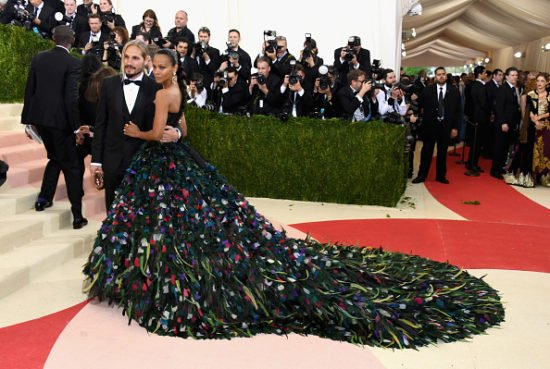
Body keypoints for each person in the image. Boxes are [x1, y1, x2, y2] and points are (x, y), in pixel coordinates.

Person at [83, 48, 504, 349]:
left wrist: (145, 134)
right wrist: (158, 136)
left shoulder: (162, 92)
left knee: (174, 227)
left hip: (158, 161)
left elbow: (160, 131)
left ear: (171, 67)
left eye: (157, 64)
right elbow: (181, 129)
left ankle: (153, 278)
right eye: (145, 63)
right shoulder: (159, 91)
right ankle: (139, 276)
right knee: (169, 225)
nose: (150, 69)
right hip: (154, 164)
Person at [91, 40, 182, 212]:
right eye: (126, 57)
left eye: (134, 58)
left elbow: (174, 123)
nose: (129, 62)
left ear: (146, 60)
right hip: (112, 161)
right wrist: (96, 160)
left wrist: (176, 133)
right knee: (112, 213)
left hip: (143, 163)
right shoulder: (109, 84)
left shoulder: (157, 88)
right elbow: (101, 124)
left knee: (140, 215)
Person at [21, 25, 87, 229]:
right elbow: (70, 99)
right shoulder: (73, 62)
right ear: (72, 40)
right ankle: (77, 216)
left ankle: (43, 199)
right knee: (72, 166)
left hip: (40, 121)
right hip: (60, 123)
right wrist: (76, 128)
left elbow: (29, 89)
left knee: (55, 157)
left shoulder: (39, 57)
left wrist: (27, 120)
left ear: (54, 39)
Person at [412, 66, 461, 184]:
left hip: (446, 126)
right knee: (426, 151)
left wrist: (455, 127)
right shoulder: (428, 90)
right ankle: (421, 175)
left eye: (443, 74)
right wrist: (414, 101)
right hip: (430, 126)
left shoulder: (454, 91)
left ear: (446, 75)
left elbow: (458, 110)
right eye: (438, 74)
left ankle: (440, 176)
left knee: (442, 152)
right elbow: (420, 105)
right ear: (435, 76)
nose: (441, 76)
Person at [491, 67, 520, 179]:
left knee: (505, 148)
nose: (515, 77)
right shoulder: (502, 89)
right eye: (512, 75)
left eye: (516, 75)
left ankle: (501, 168)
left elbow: (514, 108)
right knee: (499, 147)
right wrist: (503, 122)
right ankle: (495, 170)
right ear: (507, 76)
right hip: (503, 124)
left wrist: (515, 123)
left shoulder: (513, 89)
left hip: (511, 124)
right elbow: (499, 108)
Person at [529, 73, 550, 186]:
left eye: (542, 81)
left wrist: (541, 118)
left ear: (547, 82)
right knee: (534, 150)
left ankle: (545, 176)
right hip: (534, 126)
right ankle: (534, 176)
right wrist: (536, 121)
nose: (539, 83)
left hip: (547, 127)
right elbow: (530, 110)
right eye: (538, 81)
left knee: (546, 150)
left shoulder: (549, 95)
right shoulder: (531, 94)